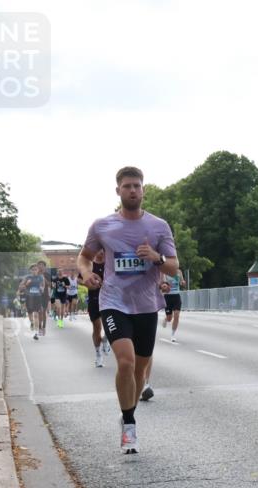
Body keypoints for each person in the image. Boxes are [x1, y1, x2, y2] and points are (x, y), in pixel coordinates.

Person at [77, 166, 178, 454]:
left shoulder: (158, 226)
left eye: (137, 185)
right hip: (113, 302)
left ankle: (127, 412)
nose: (132, 190)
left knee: (140, 370)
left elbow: (174, 266)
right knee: (126, 362)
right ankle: (130, 424)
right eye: (127, 186)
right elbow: (84, 257)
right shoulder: (102, 226)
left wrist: (156, 257)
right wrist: (87, 274)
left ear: (143, 189)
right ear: (118, 190)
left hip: (146, 305)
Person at [84, 250, 109, 367]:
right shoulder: (90, 265)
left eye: (103, 250)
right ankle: (98, 354)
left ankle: (106, 339)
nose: (101, 252)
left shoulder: (110, 264)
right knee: (97, 328)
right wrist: (89, 284)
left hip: (109, 300)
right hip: (94, 300)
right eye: (99, 250)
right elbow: (80, 279)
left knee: (110, 327)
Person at [17, 264, 46, 340]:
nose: (34, 271)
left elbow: (43, 286)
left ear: (38, 270)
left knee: (36, 314)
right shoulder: (27, 277)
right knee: (30, 313)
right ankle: (32, 323)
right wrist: (26, 284)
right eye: (33, 270)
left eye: (35, 269)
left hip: (37, 297)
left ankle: (36, 333)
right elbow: (20, 287)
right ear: (30, 270)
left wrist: (42, 288)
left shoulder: (41, 277)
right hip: (29, 297)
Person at [160, 271, 185, 343]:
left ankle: (173, 335)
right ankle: (166, 319)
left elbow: (181, 282)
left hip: (176, 296)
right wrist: (164, 286)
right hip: (168, 297)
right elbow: (161, 284)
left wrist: (182, 282)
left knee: (176, 315)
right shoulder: (164, 272)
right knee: (169, 319)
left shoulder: (179, 272)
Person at [36, 261, 51, 336]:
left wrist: (43, 278)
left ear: (45, 267)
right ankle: (39, 328)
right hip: (37, 295)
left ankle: (44, 327)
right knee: (40, 311)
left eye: (42, 265)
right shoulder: (35, 274)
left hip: (45, 295)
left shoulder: (47, 275)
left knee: (44, 312)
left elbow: (50, 285)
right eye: (39, 265)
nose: (40, 266)